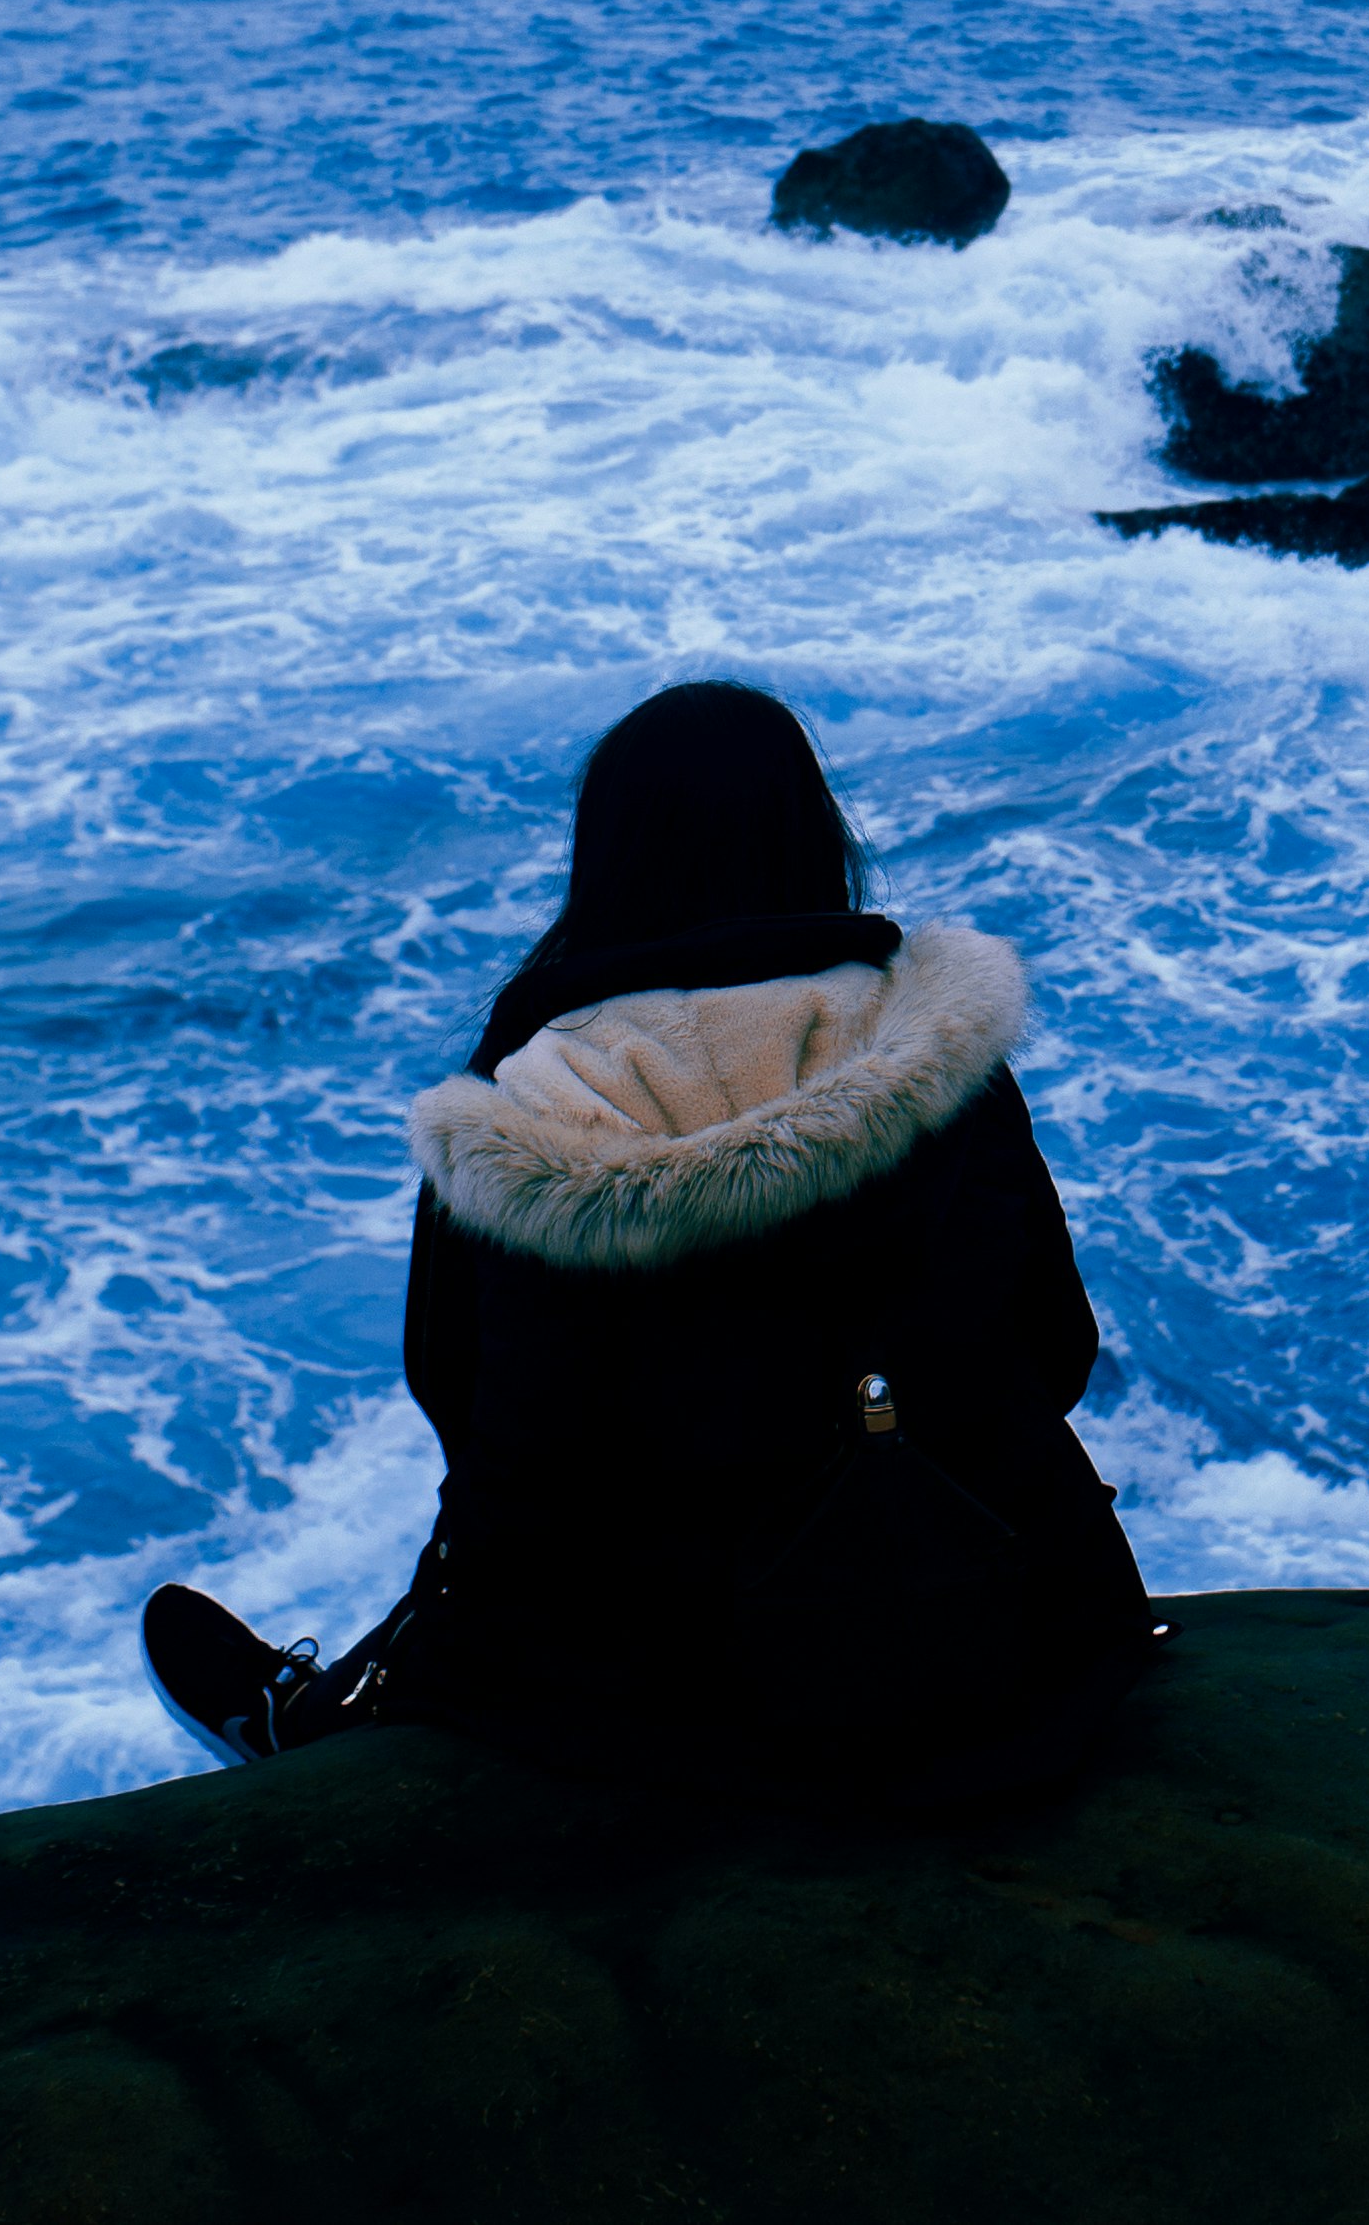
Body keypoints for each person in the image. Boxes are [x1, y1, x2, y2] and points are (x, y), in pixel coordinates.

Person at [143, 679, 1158, 1812]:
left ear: (610, 859)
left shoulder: (526, 1107)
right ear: (813, 833)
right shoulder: (943, 1053)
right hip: (1010, 1653)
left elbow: (478, 1424)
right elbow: (1056, 1348)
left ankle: (311, 1716)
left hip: (667, 1706)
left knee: (518, 1551)